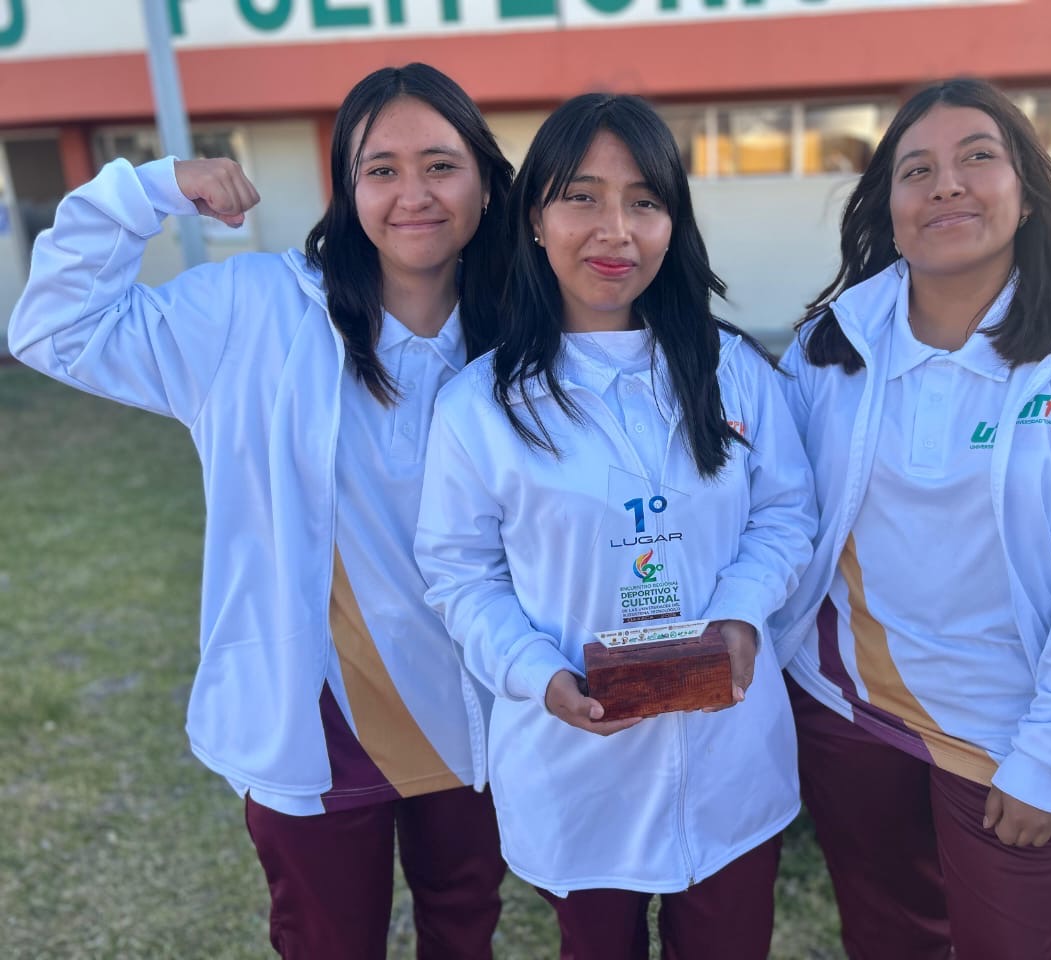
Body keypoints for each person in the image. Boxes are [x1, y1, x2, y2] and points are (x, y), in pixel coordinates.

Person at [7, 63, 515, 960]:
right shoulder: (256, 310)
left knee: (466, 931)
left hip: (477, 709)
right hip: (314, 725)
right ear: (346, 187)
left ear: (484, 179)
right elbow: (56, 329)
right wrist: (150, 190)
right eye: (381, 169)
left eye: (441, 165)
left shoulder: (521, 336)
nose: (413, 195)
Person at [771, 77, 1051, 960]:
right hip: (850, 708)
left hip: (1013, 732)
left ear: (1026, 193)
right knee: (886, 939)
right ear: (889, 208)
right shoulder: (829, 345)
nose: (946, 184)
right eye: (916, 170)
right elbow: (778, 515)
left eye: (977, 158)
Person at [414, 93, 816, 960]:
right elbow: (461, 574)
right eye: (582, 198)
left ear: (675, 222)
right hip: (575, 763)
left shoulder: (732, 370)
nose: (616, 231)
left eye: (645, 201)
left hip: (728, 752)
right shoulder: (479, 406)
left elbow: (786, 513)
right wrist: (537, 675)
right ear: (534, 219)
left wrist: (741, 612)